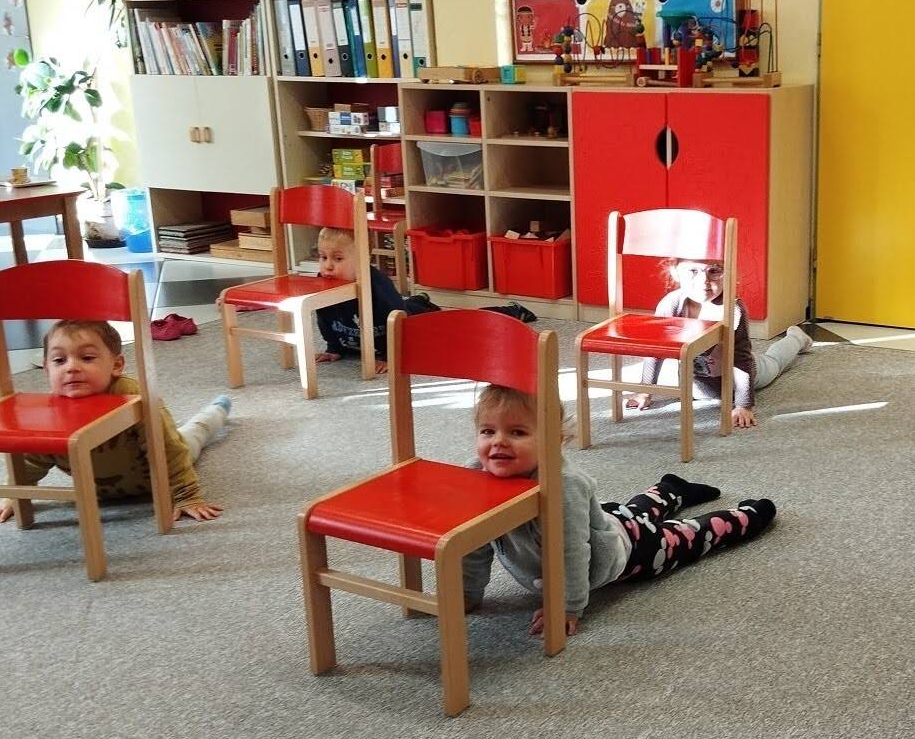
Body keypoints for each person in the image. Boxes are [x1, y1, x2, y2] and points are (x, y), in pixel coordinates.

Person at [463, 384, 775, 636]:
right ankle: (671, 488)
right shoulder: (476, 477)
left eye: (517, 432)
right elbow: (472, 541)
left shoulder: (563, 486)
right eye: (487, 431)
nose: (498, 442)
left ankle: (747, 516)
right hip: (609, 520)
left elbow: (571, 551)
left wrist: (567, 606)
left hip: (630, 551)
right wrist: (468, 593)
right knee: (634, 512)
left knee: (690, 537)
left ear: (553, 440)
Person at [0, 320, 229, 526]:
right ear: (46, 370)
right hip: (98, 491)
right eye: (59, 361)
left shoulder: (134, 396)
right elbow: (32, 459)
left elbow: (168, 447)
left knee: (194, 433)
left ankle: (217, 410)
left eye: (87, 358)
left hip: (157, 474)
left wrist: (186, 496)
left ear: (116, 365)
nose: (71, 368)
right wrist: (15, 494)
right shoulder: (50, 413)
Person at [308, 227, 534, 372]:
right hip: (397, 316)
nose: (328, 266)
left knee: (461, 326)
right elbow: (323, 317)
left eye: (338, 259)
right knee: (410, 306)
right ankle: (420, 301)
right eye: (322, 257)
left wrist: (391, 356)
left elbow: (399, 320)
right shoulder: (324, 284)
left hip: (411, 327)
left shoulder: (378, 286)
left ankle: (511, 311)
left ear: (362, 260)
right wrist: (333, 348)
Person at [626, 257, 811, 428]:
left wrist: (744, 405)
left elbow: (741, 359)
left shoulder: (733, 309)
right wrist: (645, 391)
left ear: (727, 273)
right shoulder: (671, 304)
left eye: (714, 271)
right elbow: (656, 350)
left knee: (775, 362)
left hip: (745, 373)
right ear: (675, 272)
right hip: (697, 384)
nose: (703, 281)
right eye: (693, 271)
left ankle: (796, 338)